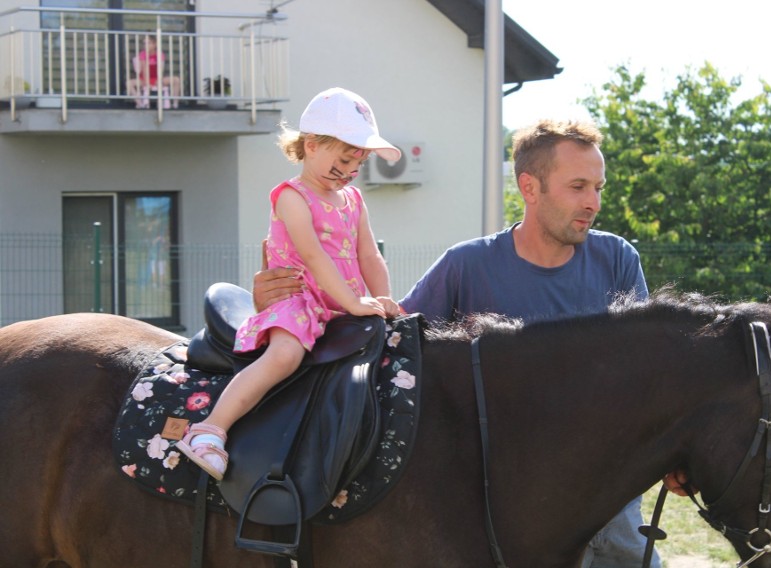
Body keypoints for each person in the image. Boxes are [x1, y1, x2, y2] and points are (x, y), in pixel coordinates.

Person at [252, 118, 678, 567]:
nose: (592, 202)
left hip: (605, 498)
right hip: (499, 507)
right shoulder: (466, 266)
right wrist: (284, 304)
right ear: (529, 188)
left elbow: (647, 378)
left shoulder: (617, 261)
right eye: (577, 186)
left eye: (598, 187)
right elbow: (389, 343)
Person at [178, 87, 401, 481]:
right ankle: (209, 430)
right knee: (285, 355)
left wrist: (382, 296)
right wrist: (352, 302)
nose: (350, 171)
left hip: (340, 300)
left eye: (358, 163)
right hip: (299, 300)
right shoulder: (291, 197)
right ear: (312, 146)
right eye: (344, 159)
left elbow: (369, 255)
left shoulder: (352, 199)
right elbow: (314, 256)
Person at [126, 35, 181, 109]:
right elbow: (144, 70)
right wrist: (147, 83)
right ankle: (140, 103)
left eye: (148, 43)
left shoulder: (160, 54)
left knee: (176, 80)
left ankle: (175, 103)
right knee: (129, 83)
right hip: (144, 79)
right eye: (144, 43)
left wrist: (158, 80)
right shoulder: (143, 54)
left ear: (155, 44)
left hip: (157, 78)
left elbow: (161, 69)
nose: (146, 45)